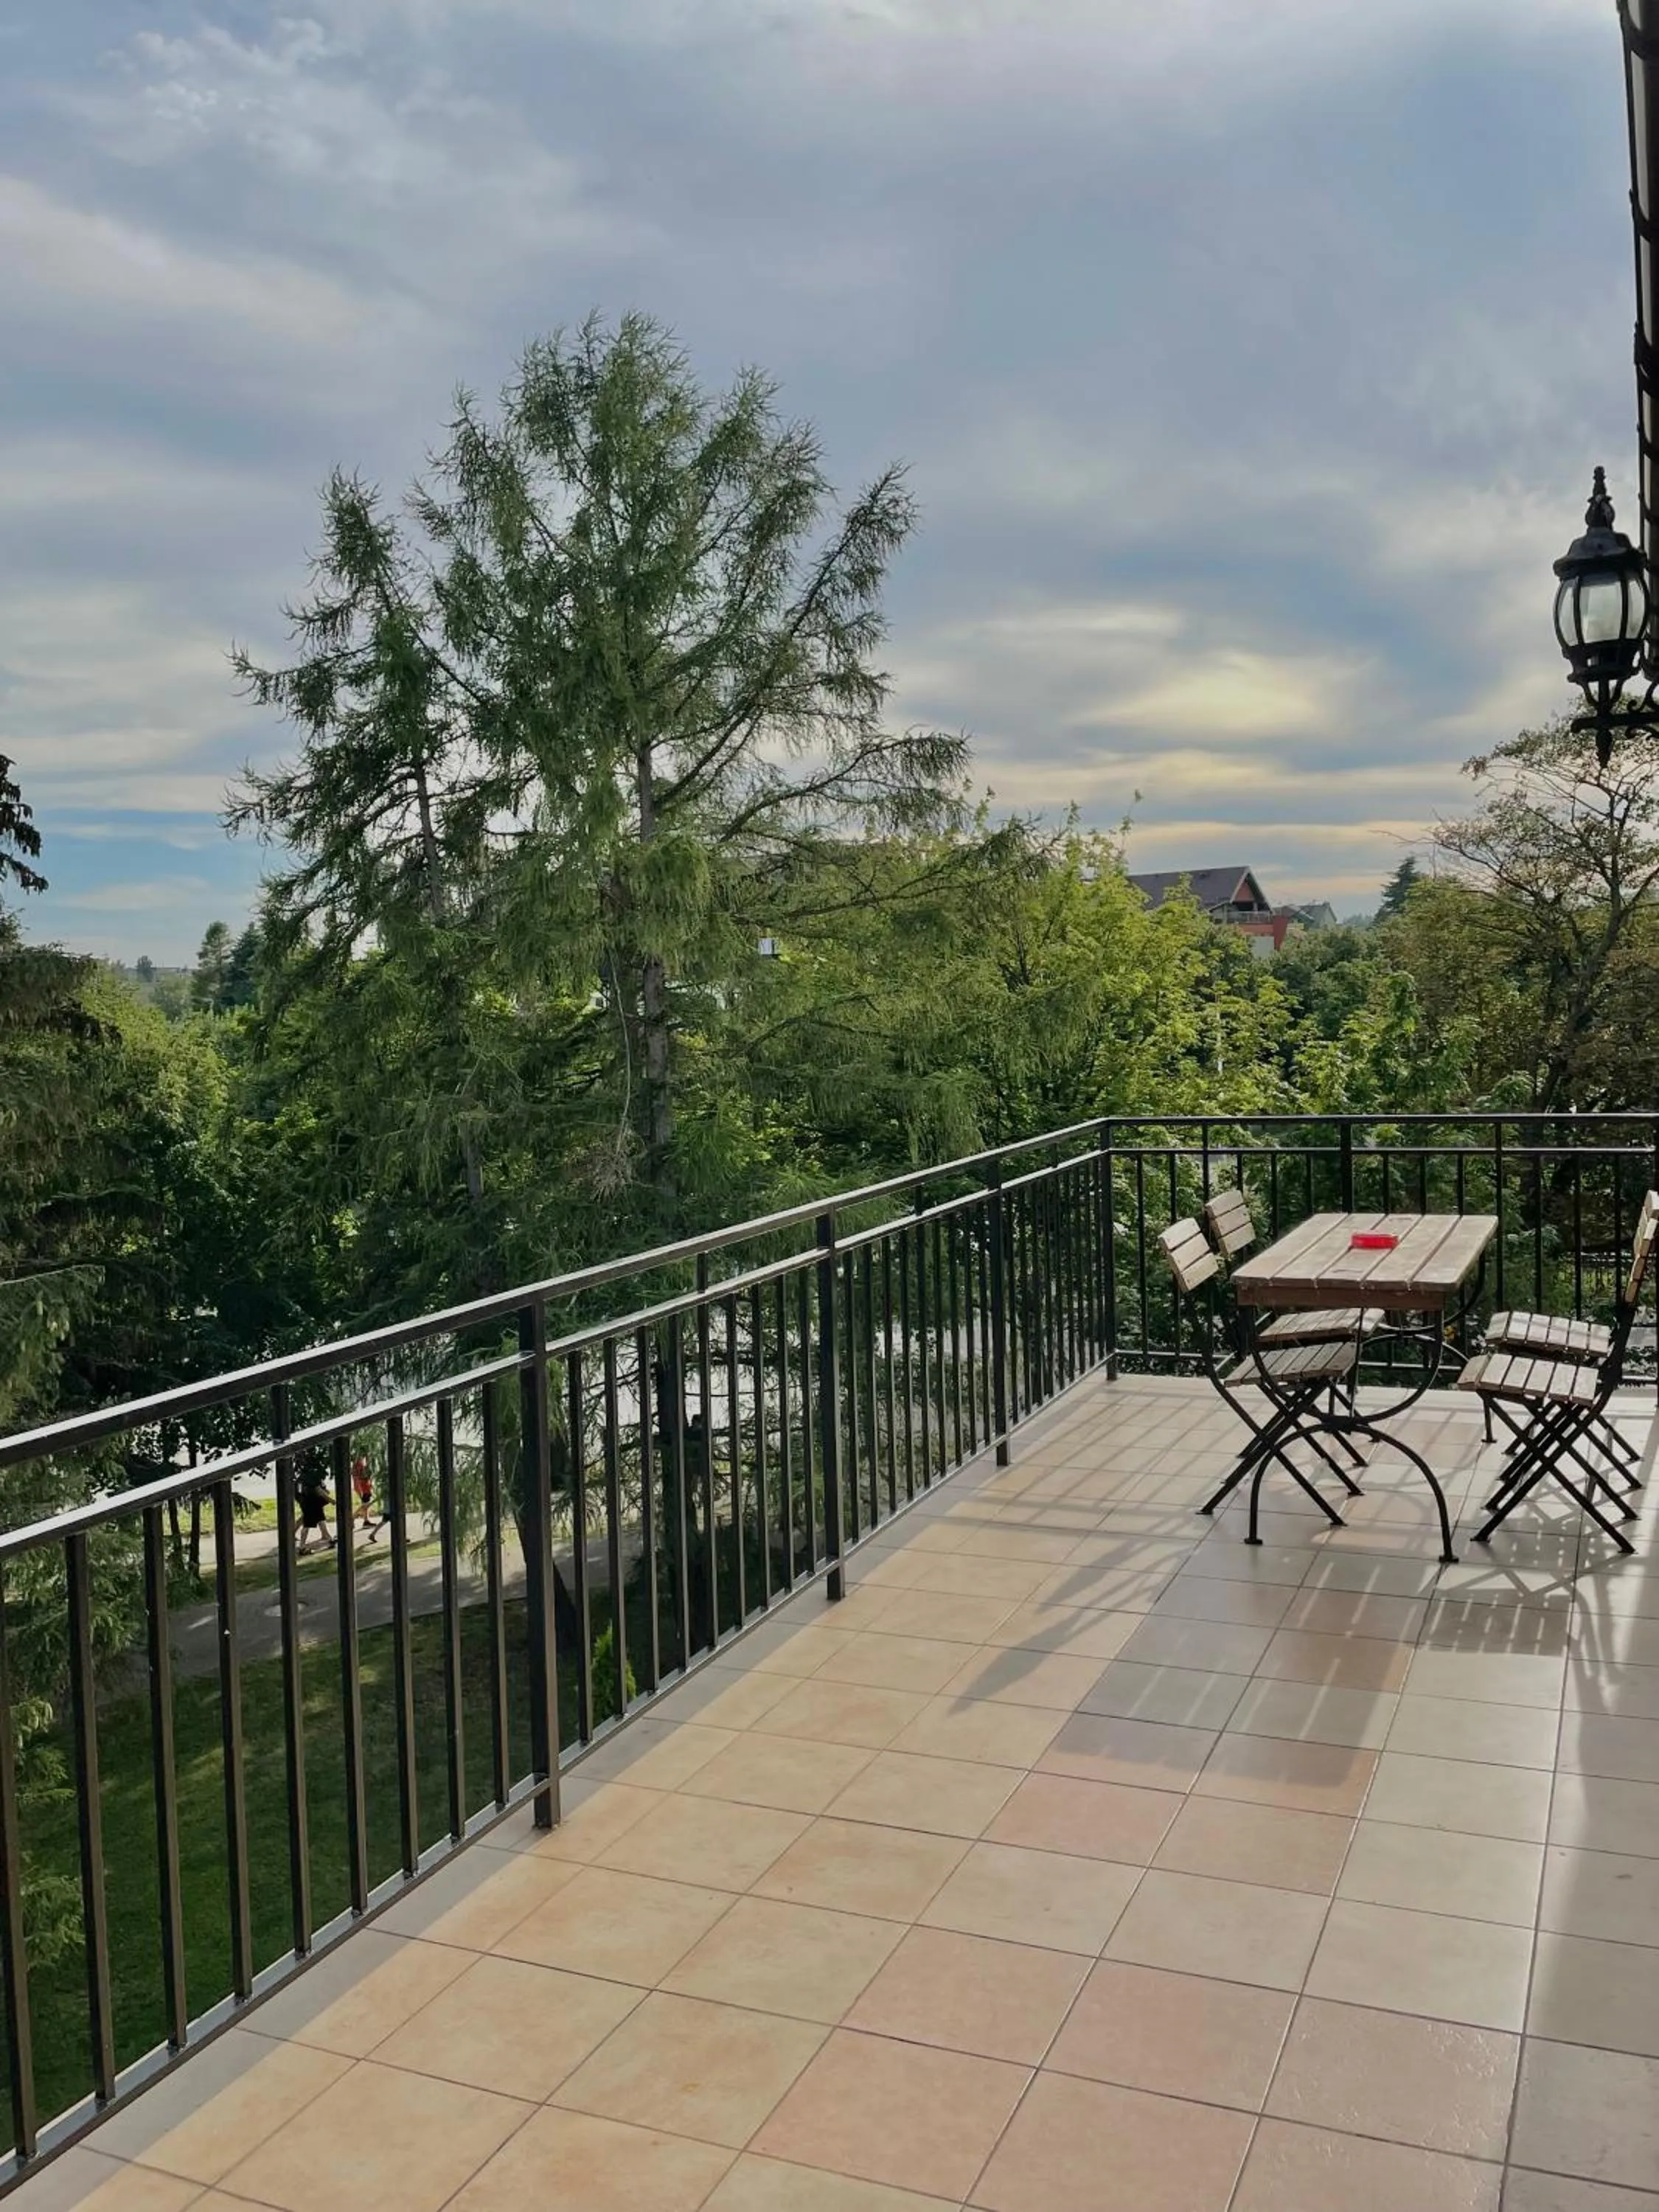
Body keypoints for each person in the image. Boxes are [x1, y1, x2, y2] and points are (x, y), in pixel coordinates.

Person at [296, 1453, 334, 1554]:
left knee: (321, 1519)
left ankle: (328, 1538)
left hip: (307, 1502)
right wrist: (331, 1500)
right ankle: (302, 1547)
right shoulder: (313, 1475)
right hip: (312, 1503)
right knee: (307, 1525)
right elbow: (319, 1491)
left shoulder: (301, 1477)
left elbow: (298, 1492)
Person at [350, 1453, 384, 1542]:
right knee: (366, 1505)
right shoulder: (359, 1465)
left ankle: (366, 1521)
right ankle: (352, 1518)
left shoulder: (355, 1466)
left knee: (365, 1504)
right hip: (364, 1487)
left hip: (362, 1487)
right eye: (363, 1456)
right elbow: (364, 1476)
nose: (363, 1458)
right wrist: (369, 1462)